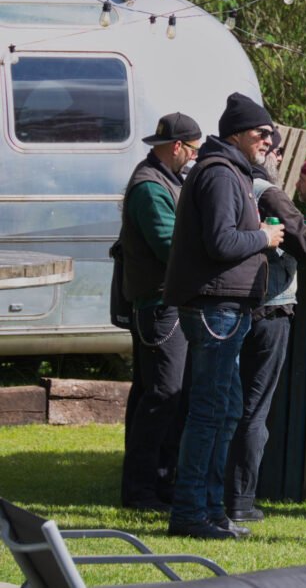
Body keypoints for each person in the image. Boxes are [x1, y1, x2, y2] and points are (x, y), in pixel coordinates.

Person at [163, 92, 285, 539]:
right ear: (236, 133)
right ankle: (191, 512)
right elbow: (222, 242)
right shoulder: (219, 174)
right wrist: (265, 237)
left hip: (226, 306)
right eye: (261, 133)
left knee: (226, 409)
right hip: (216, 307)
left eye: (271, 134)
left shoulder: (230, 171)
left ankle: (212, 509)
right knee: (210, 412)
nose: (268, 141)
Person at [224, 148, 306, 522]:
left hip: (230, 307)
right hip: (268, 308)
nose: (277, 153)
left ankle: (218, 493)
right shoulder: (268, 192)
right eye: (270, 146)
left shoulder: (229, 186)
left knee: (227, 405)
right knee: (252, 409)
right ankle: (241, 500)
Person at [119, 113, 200, 512]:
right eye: (194, 150)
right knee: (163, 396)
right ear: (177, 147)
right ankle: (141, 491)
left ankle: (160, 484)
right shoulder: (150, 187)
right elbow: (170, 245)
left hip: (164, 302)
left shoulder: (165, 179)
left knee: (162, 396)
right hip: (159, 305)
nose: (196, 158)